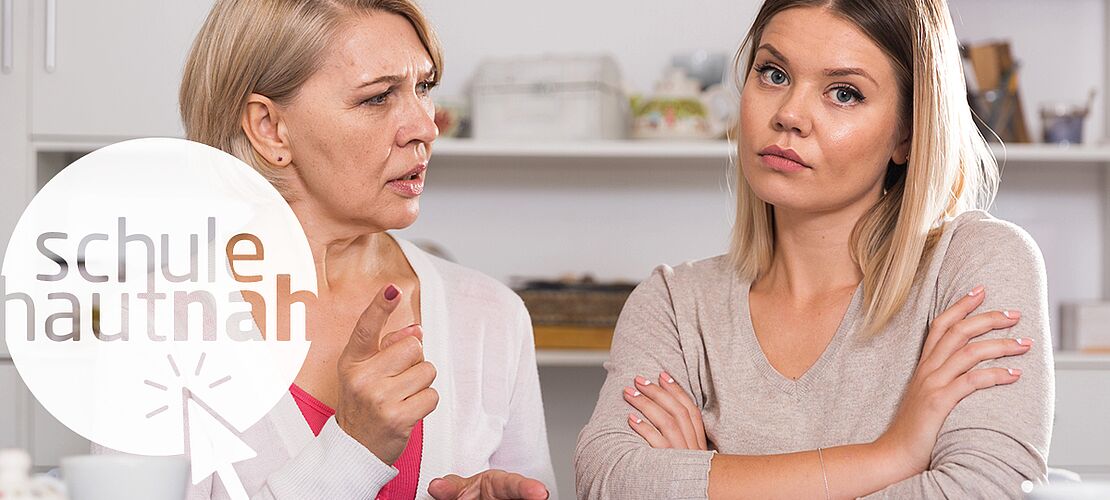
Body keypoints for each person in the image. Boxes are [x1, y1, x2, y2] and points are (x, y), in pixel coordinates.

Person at [575, 0, 1053, 498]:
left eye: (844, 93)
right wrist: (890, 455)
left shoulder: (975, 265)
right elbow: (609, 480)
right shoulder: (674, 304)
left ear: (907, 134)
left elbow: (987, 490)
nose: (788, 115)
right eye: (774, 73)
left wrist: (706, 480)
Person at [95, 1, 555, 499]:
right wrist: (352, 451)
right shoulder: (152, 326)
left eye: (423, 87)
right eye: (378, 98)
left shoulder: (490, 316)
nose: (425, 127)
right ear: (270, 128)